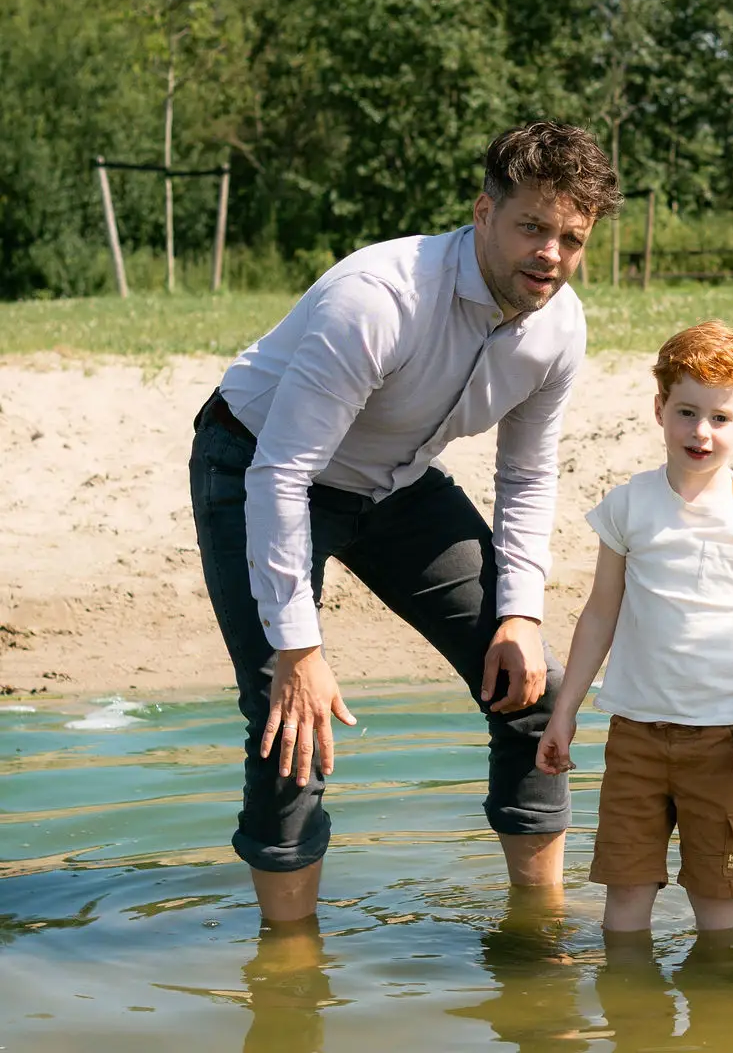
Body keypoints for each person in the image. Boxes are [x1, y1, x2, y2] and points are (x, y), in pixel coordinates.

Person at [189, 121, 621, 924]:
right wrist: (299, 649)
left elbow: (526, 475)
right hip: (255, 464)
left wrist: (521, 615)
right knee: (291, 718)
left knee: (533, 691)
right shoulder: (379, 298)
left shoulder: (559, 327)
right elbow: (282, 473)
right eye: (532, 226)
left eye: (572, 238)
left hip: (394, 482)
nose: (550, 255)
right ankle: (290, 962)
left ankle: (538, 932)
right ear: (483, 212)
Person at [537, 320, 733, 937]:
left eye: (720, 417)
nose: (700, 432)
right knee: (625, 902)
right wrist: (564, 711)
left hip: (726, 744)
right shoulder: (628, 505)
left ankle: (722, 995)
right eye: (686, 412)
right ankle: (628, 997)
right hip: (634, 737)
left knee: (721, 900)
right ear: (659, 409)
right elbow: (600, 612)